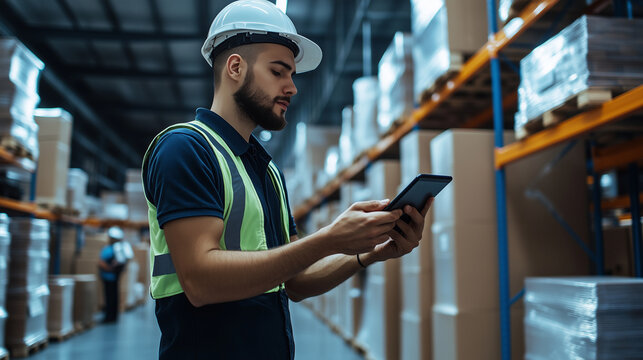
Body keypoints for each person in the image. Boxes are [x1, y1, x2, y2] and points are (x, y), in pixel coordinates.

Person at [141, 1, 433, 358]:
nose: (292, 87)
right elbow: (200, 281)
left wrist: (371, 253)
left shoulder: (266, 170)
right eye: (278, 72)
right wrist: (329, 239)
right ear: (235, 67)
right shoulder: (185, 149)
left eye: (292, 74)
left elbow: (294, 280)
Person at [98, 226, 129, 323]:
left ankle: (109, 317)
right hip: (115, 277)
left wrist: (109, 268)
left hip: (108, 277)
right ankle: (114, 317)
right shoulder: (120, 249)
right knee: (114, 296)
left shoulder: (109, 249)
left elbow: (101, 263)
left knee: (109, 297)